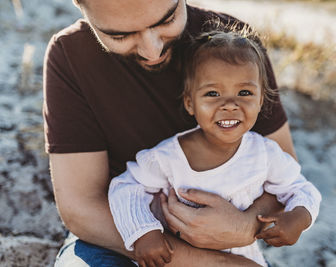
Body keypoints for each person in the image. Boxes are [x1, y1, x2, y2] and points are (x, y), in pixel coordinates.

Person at [44, 0, 299, 266]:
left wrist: (245, 227)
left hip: (232, 248)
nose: (151, 50)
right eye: (120, 35)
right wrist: (210, 263)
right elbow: (81, 207)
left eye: (166, 21)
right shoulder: (71, 55)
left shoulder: (235, 47)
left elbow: (284, 174)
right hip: (119, 237)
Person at [108, 30, 321, 267]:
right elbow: (126, 188)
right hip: (177, 259)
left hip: (243, 261)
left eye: (244, 93)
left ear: (260, 100)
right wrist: (144, 233)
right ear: (190, 103)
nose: (230, 104)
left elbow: (301, 189)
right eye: (212, 93)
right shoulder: (169, 157)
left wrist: (299, 218)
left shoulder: (265, 154)